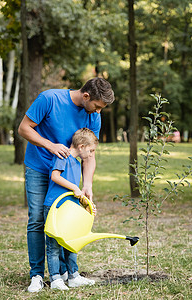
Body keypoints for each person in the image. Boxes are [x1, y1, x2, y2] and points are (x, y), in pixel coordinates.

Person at [18, 77, 115, 292]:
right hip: (39, 167)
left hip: (67, 176)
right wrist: (50, 145)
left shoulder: (94, 116)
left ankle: (63, 272)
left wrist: (87, 184)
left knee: (63, 222)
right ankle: (36, 275)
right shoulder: (50, 99)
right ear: (86, 96)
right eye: (97, 107)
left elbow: (89, 154)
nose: (98, 112)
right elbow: (24, 129)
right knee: (37, 219)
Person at [44, 128, 98, 291]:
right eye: (91, 150)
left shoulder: (76, 163)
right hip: (55, 206)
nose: (91, 154)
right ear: (81, 146)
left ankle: (73, 276)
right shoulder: (63, 156)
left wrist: (86, 204)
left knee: (71, 243)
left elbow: (75, 192)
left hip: (70, 208)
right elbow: (55, 176)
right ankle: (55, 279)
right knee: (53, 245)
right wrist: (75, 187)